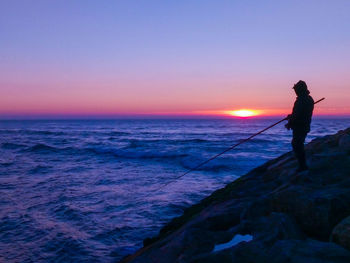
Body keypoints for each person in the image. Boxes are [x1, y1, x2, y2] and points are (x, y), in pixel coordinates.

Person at [285, 80, 314, 172]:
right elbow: (300, 113)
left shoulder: (301, 100)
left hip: (300, 126)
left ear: (300, 89)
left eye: (296, 89)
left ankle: (302, 166)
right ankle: (302, 165)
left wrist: (290, 122)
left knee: (297, 144)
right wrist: (292, 116)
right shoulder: (309, 99)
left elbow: (298, 115)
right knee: (298, 144)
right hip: (304, 125)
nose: (295, 91)